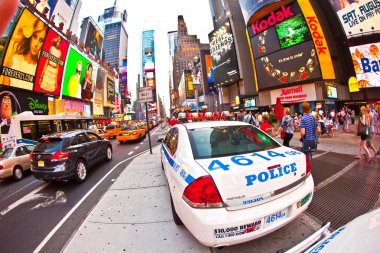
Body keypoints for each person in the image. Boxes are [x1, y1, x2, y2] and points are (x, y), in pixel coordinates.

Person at [3, 18, 47, 89]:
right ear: (30, 36)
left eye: (41, 40)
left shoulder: (40, 70)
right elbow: (4, 92)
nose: (36, 44)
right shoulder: (14, 59)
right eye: (35, 37)